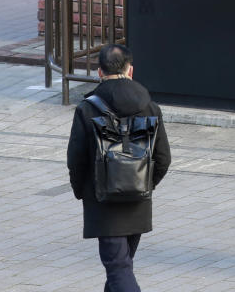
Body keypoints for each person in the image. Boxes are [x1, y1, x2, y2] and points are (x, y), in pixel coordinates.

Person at [67, 44, 171, 292]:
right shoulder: (150, 106)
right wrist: (145, 182)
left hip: (103, 200)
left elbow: (76, 159)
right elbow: (163, 157)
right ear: (130, 70)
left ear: (99, 72)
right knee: (120, 268)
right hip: (137, 199)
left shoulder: (87, 108)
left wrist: (82, 191)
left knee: (119, 269)